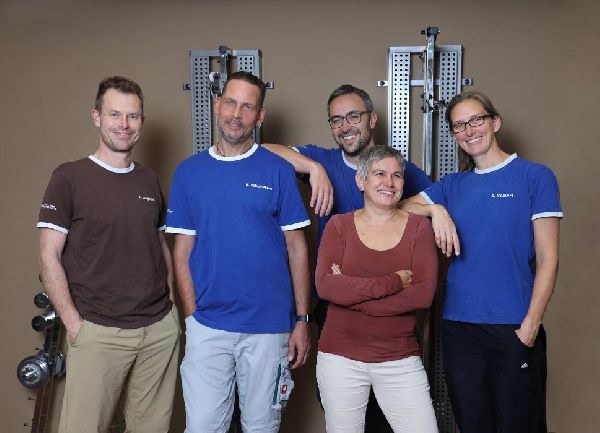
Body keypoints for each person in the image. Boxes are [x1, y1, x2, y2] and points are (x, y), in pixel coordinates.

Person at [263, 84, 433, 432]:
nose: (345, 126)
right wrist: (313, 168)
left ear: (372, 119)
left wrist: (435, 211)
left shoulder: (400, 171)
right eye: (336, 120)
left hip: (393, 326)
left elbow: (436, 202)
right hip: (340, 320)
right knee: (347, 415)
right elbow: (262, 150)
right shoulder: (324, 163)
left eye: (353, 116)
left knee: (386, 420)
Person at [403, 90, 562, 433]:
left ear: (495, 123)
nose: (469, 130)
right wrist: (435, 209)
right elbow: (398, 208)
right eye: (459, 125)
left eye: (476, 120)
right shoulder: (452, 186)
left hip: (513, 326)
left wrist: (531, 325)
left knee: (519, 425)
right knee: (472, 424)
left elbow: (549, 259)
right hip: (459, 329)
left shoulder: (535, 177)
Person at [167, 71, 312, 433]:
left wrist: (302, 320)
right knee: (203, 427)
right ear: (217, 105)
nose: (236, 114)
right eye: (230, 102)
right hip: (208, 326)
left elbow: (297, 248)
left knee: (261, 427)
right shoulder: (189, 173)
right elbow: (181, 253)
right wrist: (192, 316)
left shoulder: (279, 171)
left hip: (269, 328)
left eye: (248, 107)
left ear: (260, 116)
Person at [37, 76, 181, 433]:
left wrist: (171, 310)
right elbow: (48, 256)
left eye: (132, 116)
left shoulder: (149, 180)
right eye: (115, 114)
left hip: (158, 331)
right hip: (98, 331)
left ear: (142, 122)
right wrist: (74, 324)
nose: (124, 124)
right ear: (96, 117)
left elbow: (159, 247)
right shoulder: (69, 177)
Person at [314, 145, 439, 433]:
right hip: (340, 359)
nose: (389, 182)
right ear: (361, 180)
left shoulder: (419, 228)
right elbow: (326, 286)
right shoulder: (339, 226)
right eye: (380, 174)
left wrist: (352, 297)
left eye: (397, 175)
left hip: (399, 358)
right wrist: (393, 282)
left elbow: (423, 295)